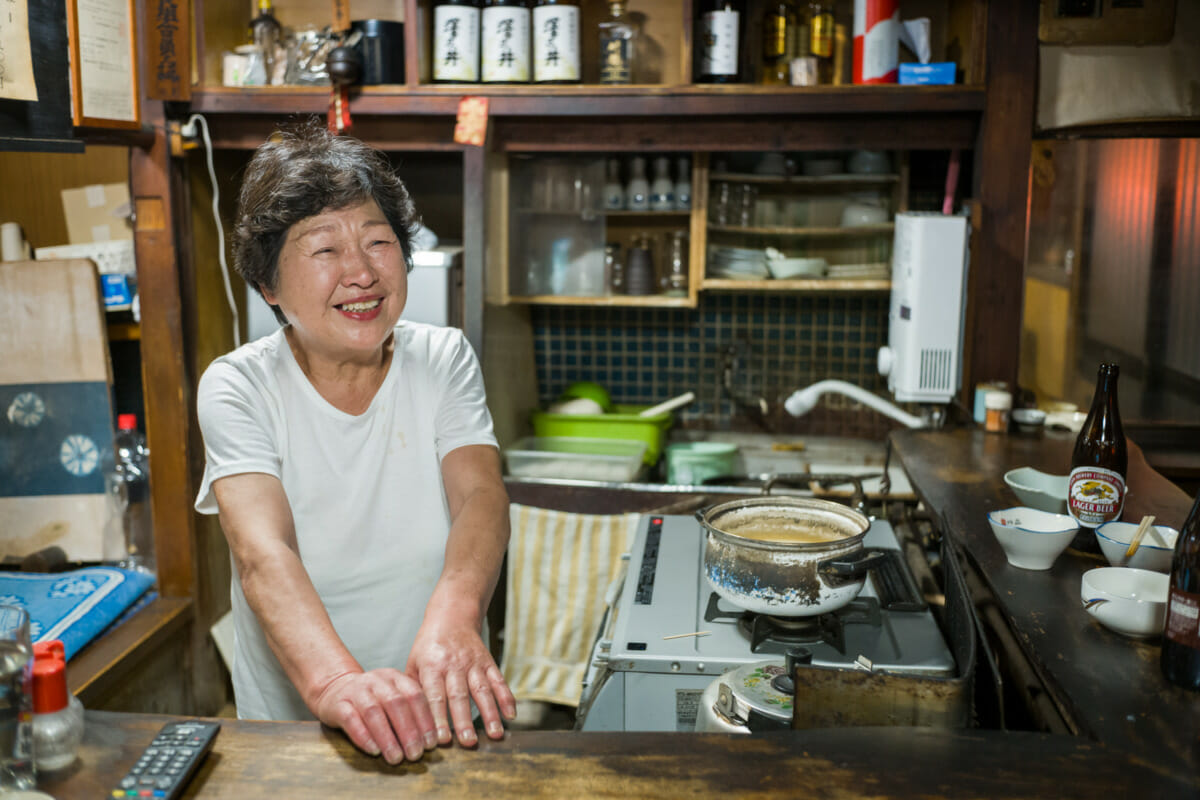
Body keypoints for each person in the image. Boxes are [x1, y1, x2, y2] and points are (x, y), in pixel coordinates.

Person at [194, 122, 516, 765]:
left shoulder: (443, 355)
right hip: (299, 720)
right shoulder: (238, 385)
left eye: (378, 242)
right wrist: (338, 682)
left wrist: (456, 619)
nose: (362, 273)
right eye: (324, 251)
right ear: (269, 287)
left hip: (442, 697)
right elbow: (264, 553)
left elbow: (480, 494)